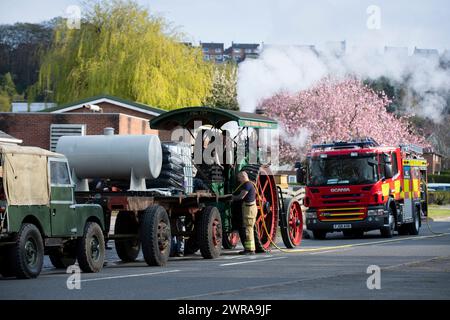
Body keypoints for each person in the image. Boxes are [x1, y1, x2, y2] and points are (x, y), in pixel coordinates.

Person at [232, 171, 258, 255]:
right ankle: (249, 249)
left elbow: (241, 196)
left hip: (249, 209)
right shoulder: (249, 184)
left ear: (243, 177)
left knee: (248, 229)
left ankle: (250, 250)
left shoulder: (247, 184)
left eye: (239, 178)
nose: (239, 180)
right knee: (248, 229)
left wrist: (232, 197)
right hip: (248, 208)